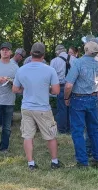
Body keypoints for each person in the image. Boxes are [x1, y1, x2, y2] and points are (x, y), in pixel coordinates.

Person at [13, 42, 62, 170]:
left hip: (26, 108)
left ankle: (31, 163)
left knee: (28, 136)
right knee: (50, 136)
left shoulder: (21, 70)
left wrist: (25, 89)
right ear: (44, 55)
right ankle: (54, 162)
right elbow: (56, 91)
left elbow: (15, 89)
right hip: (43, 108)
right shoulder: (50, 70)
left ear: (30, 54)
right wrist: (48, 89)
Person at [64, 41, 98, 168]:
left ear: (85, 49)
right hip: (93, 97)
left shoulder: (78, 62)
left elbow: (69, 85)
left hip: (79, 99)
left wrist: (66, 98)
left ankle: (82, 161)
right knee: (94, 130)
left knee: (78, 131)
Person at [49, 44, 77, 134]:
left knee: (62, 109)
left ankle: (62, 130)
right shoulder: (75, 60)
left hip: (60, 87)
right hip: (73, 86)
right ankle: (71, 129)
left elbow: (51, 76)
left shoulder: (54, 61)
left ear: (57, 52)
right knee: (72, 108)